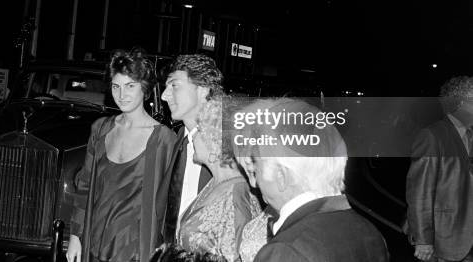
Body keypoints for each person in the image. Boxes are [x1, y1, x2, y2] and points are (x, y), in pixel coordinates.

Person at [236, 98, 388, 262]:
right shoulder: (370, 232)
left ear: (281, 176)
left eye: (257, 165)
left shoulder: (286, 251)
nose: (254, 182)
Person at [66, 50, 177, 262]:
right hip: (95, 240)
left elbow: (170, 204)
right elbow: (85, 186)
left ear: (144, 88)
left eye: (130, 86)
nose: (122, 94)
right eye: (116, 86)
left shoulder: (164, 139)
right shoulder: (100, 129)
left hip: (136, 250)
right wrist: (75, 235)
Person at [177, 99, 262, 262]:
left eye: (199, 130)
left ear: (216, 145)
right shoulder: (216, 182)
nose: (193, 135)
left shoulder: (237, 196)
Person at [406, 76, 473, 262]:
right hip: (446, 240)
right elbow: (420, 192)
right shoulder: (432, 136)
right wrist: (423, 240)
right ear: (459, 103)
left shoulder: (470, 134)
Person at [160, 54, 224, 244]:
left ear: (203, 90)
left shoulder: (228, 146)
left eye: (174, 85)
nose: (164, 95)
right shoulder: (176, 140)